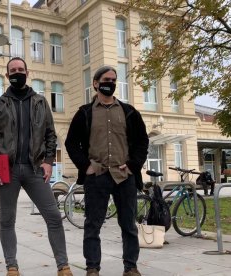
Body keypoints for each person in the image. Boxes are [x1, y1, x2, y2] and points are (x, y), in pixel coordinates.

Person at [0, 57, 73, 276]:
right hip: (8, 170)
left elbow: (50, 135)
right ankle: (12, 267)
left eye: (20, 69)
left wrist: (48, 162)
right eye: (13, 70)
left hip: (35, 169)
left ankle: (63, 266)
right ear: (7, 76)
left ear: (27, 72)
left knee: (53, 216)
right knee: (7, 219)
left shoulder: (41, 102)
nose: (17, 72)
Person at [65, 66, 149, 276]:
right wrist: (86, 166)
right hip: (97, 177)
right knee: (92, 225)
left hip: (124, 177)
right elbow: (71, 143)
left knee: (128, 224)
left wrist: (132, 166)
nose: (110, 83)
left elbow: (142, 142)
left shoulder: (129, 112)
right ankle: (92, 268)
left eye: (113, 80)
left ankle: (131, 267)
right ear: (95, 83)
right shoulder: (84, 113)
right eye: (105, 79)